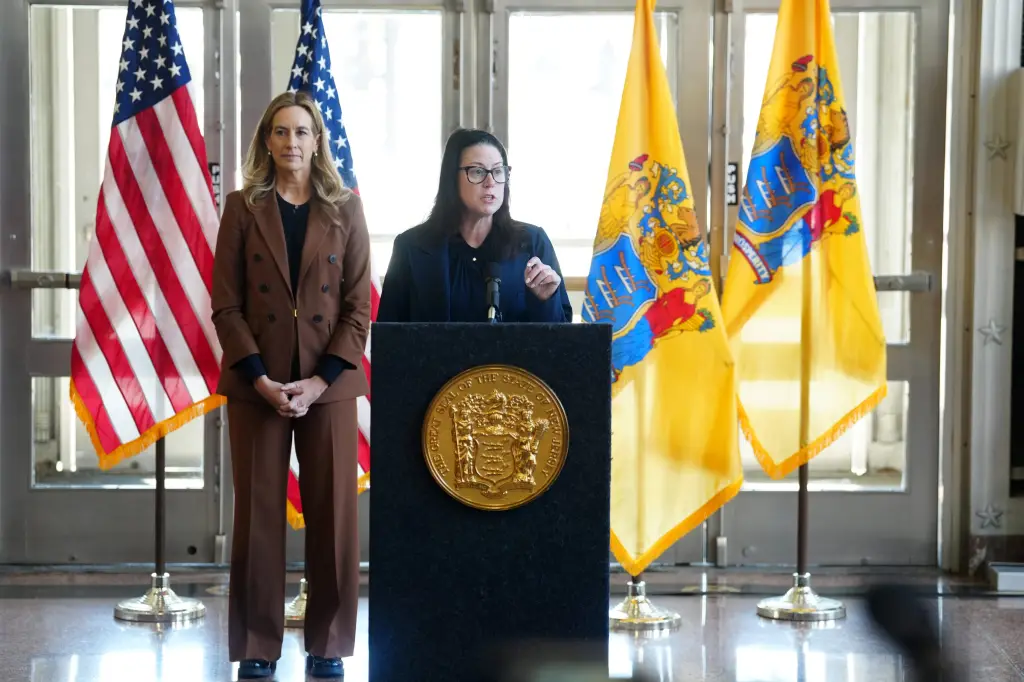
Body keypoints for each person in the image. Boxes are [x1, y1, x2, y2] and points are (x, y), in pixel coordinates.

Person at [211, 90, 370, 680]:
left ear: (317, 140)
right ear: (266, 141)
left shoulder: (345, 209)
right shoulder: (241, 208)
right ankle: (257, 648)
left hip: (327, 386)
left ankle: (328, 645)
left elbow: (357, 309)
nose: (291, 143)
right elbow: (226, 305)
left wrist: (317, 381)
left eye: (302, 132)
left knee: (334, 521)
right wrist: (262, 377)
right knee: (257, 520)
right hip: (259, 384)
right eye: (280, 132)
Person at [377, 128, 572, 323]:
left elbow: (562, 341)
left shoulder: (532, 242)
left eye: (497, 171)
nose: (490, 182)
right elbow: (388, 336)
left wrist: (547, 300)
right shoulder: (411, 246)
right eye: (478, 171)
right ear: (451, 179)